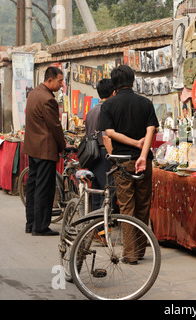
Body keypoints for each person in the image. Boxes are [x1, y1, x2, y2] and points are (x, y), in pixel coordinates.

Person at [99, 65, 159, 264]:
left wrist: (132, 145)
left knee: (126, 207)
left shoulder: (108, 105)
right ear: (133, 81)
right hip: (145, 161)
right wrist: (142, 153)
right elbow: (151, 129)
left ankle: (131, 254)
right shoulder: (145, 103)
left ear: (114, 85)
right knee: (143, 205)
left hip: (122, 162)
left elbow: (110, 133)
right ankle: (140, 250)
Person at [24, 66, 66, 236]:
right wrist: (63, 146)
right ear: (50, 80)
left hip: (33, 148)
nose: (61, 84)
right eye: (60, 81)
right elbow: (55, 127)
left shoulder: (34, 93)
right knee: (44, 188)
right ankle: (40, 227)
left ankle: (31, 223)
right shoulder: (48, 99)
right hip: (44, 149)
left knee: (33, 186)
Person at [84, 79, 115, 211]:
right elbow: (106, 136)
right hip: (104, 152)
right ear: (113, 92)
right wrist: (113, 157)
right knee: (108, 191)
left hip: (91, 154)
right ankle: (103, 226)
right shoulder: (107, 110)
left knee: (96, 191)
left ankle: (96, 227)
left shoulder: (91, 112)